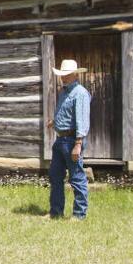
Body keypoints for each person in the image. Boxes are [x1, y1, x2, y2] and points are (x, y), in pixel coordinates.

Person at [45, 59, 90, 220]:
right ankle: (55, 212)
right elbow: (66, 115)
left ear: (74, 74)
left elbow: (82, 120)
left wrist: (78, 144)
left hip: (72, 141)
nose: (63, 77)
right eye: (62, 75)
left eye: (66, 75)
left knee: (76, 177)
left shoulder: (80, 93)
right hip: (60, 140)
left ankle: (79, 215)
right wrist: (54, 122)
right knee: (55, 176)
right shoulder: (64, 92)